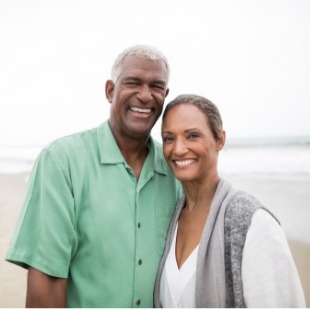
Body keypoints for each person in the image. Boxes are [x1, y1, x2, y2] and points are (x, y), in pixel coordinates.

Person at [5, 45, 182, 308]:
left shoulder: (175, 171)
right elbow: (47, 281)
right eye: (133, 82)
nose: (145, 95)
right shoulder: (62, 161)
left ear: (165, 95)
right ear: (110, 91)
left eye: (156, 87)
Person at [154, 94, 306, 308]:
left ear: (220, 140)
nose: (178, 149)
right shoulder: (173, 218)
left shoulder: (254, 223)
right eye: (169, 138)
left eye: (192, 136)